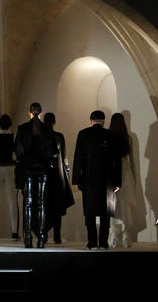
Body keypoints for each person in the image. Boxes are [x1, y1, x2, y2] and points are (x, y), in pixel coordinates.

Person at [72, 109, 122, 249]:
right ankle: (103, 242)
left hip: (88, 179)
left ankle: (92, 242)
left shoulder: (83, 134)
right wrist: (118, 181)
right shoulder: (111, 135)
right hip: (108, 179)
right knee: (106, 213)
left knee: (90, 212)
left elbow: (78, 158)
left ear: (91, 121)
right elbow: (117, 161)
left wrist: (77, 180)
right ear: (103, 121)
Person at [14, 102, 57, 249]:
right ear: (41, 113)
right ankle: (41, 238)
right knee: (42, 203)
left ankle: (28, 238)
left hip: (27, 170)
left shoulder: (22, 129)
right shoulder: (47, 129)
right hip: (43, 170)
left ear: (29, 112)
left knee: (28, 204)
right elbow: (52, 151)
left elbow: (18, 151)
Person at [43, 112, 74, 244]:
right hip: (58, 175)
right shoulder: (59, 136)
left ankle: (43, 234)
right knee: (57, 206)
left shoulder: (41, 136)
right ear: (54, 121)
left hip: (45, 175)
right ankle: (57, 235)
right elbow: (64, 156)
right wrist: (67, 172)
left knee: (45, 205)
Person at [0, 114, 20, 240]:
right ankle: (14, 232)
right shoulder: (13, 136)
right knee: (13, 201)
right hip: (10, 168)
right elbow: (16, 152)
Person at [108, 112, 137, 248]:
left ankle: (115, 236)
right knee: (125, 207)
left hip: (112, 176)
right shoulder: (128, 138)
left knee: (113, 206)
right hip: (126, 176)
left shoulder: (108, 138)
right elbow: (132, 162)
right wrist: (134, 179)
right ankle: (125, 236)